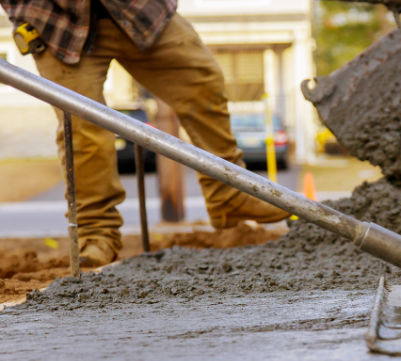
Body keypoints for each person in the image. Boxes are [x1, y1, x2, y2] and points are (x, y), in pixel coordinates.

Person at [0, 0, 290, 266]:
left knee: (202, 81)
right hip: (57, 21)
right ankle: (96, 235)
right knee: (83, 129)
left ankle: (230, 196)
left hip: (138, 9)